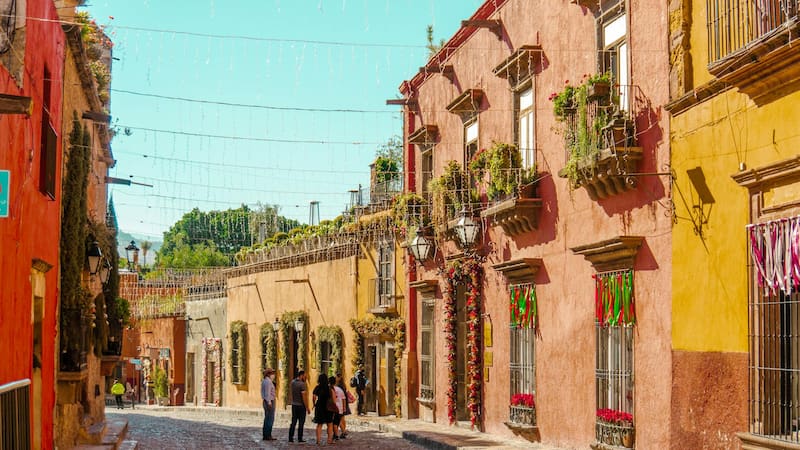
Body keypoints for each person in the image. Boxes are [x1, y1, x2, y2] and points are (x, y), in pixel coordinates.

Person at [288, 370, 310, 443]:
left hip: (294, 405)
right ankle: (300, 438)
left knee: (293, 422)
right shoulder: (302, 384)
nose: (306, 377)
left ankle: (290, 437)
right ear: (301, 375)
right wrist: (307, 407)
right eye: (305, 376)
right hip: (301, 406)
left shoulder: (293, 382)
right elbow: (304, 397)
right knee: (301, 422)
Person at [312, 374, 334, 445]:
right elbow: (333, 398)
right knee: (330, 424)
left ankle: (318, 440)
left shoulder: (317, 387)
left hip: (319, 407)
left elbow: (314, 397)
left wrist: (314, 404)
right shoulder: (329, 388)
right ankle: (329, 440)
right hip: (328, 407)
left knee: (319, 424)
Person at [261, 368, 277, 441]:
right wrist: (269, 402)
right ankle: (268, 435)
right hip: (269, 401)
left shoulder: (264, 381)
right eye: (273, 373)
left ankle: (266, 434)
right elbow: (267, 393)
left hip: (266, 401)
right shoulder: (268, 382)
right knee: (270, 419)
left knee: (267, 418)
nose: (274, 375)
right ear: (269, 374)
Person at [335, 373, 352, 439]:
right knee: (342, 418)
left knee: (339, 419)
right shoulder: (343, 385)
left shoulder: (339, 386)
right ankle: (343, 432)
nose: (335, 378)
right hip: (344, 403)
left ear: (339, 378)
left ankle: (343, 431)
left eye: (336, 377)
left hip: (340, 404)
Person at [329, 376, 345, 441]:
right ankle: (338, 434)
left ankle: (335, 435)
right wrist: (344, 408)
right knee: (337, 422)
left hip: (332, 408)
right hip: (339, 408)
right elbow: (343, 399)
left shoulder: (329, 389)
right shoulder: (339, 389)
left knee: (334, 423)